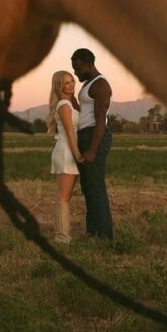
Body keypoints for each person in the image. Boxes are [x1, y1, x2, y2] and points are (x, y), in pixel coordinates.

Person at [71, 48, 114, 239]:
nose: (76, 72)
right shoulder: (88, 84)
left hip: (95, 137)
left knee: (95, 186)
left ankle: (103, 236)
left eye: (78, 68)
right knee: (88, 187)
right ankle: (93, 232)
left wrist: (92, 150)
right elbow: (85, 114)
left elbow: (99, 121)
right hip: (86, 134)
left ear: (89, 63)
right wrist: (71, 100)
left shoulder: (100, 85)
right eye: (74, 69)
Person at [46, 70, 83, 243]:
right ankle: (61, 236)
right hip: (66, 151)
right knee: (63, 196)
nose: (71, 85)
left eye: (72, 81)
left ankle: (63, 234)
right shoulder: (63, 105)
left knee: (66, 196)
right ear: (59, 86)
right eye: (66, 82)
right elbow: (69, 132)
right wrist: (77, 155)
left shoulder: (70, 103)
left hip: (70, 150)